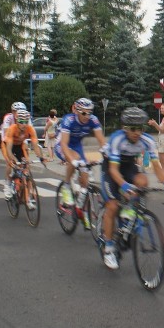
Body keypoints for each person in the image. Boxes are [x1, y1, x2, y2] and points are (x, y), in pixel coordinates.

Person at [99, 107, 164, 269]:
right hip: (111, 168)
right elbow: (113, 170)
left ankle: (130, 212)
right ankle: (108, 248)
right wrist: (126, 186)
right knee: (112, 206)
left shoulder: (147, 140)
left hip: (128, 166)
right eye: (133, 129)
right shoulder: (117, 139)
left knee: (142, 182)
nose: (137, 133)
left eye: (140, 128)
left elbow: (157, 168)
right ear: (125, 129)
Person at [55, 97, 107, 229]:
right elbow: (64, 145)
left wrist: (106, 155)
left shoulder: (93, 120)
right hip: (63, 145)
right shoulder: (69, 120)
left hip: (77, 146)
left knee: (85, 179)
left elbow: (102, 141)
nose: (87, 116)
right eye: (84, 113)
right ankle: (66, 187)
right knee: (75, 160)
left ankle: (81, 208)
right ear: (76, 111)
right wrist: (73, 161)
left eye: (90, 113)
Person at [2, 109, 45, 205]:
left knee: (26, 167)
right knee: (11, 163)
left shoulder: (30, 129)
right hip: (8, 146)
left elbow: (35, 145)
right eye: (21, 122)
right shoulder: (12, 129)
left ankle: (28, 196)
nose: (24, 124)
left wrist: (40, 157)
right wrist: (13, 159)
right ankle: (7, 185)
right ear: (17, 121)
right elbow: (9, 149)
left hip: (19, 146)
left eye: (26, 122)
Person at [147, 102, 164, 178]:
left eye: (162, 108)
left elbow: (163, 130)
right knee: (161, 159)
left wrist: (155, 124)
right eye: (161, 108)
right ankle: (163, 176)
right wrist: (154, 124)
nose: (160, 109)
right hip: (161, 139)